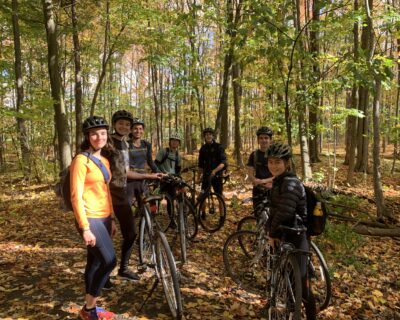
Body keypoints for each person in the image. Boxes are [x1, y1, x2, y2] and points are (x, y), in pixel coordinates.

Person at [70, 116, 117, 320]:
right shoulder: (81, 161)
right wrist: (85, 227)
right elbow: (75, 196)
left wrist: (112, 218)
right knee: (109, 261)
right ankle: (89, 309)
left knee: (95, 263)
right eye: (94, 133)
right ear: (88, 137)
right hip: (90, 219)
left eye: (103, 133)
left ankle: (90, 309)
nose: (99, 137)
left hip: (105, 218)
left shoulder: (104, 160)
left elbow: (106, 191)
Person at [266, 142, 316, 320]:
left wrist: (271, 233)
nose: (274, 166)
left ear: (287, 163)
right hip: (284, 232)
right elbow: (274, 210)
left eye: (278, 162)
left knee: (302, 284)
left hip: (297, 235)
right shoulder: (278, 182)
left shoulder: (291, 183)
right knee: (284, 275)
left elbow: (285, 212)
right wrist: (270, 231)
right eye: (271, 162)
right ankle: (286, 309)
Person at [107, 110, 140, 281]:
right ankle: (103, 276)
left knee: (131, 233)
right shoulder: (107, 142)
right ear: (114, 124)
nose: (124, 127)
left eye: (127, 124)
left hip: (121, 193)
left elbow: (126, 171)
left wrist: (149, 176)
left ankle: (124, 268)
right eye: (121, 123)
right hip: (106, 194)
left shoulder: (126, 144)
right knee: (106, 237)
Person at [127, 117, 163, 207]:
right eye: (135, 128)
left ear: (143, 130)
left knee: (150, 205)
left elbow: (151, 163)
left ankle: (148, 220)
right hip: (129, 180)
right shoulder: (126, 145)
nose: (138, 131)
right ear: (131, 130)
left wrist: (160, 173)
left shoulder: (146, 145)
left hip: (142, 179)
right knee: (128, 208)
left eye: (140, 129)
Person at [246, 126, 274, 211]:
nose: (264, 140)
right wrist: (254, 180)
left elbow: (280, 174)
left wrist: (264, 181)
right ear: (258, 140)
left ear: (270, 140)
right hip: (258, 190)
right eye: (261, 138)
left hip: (273, 189)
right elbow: (250, 173)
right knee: (258, 214)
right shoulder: (254, 155)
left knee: (273, 216)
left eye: (266, 138)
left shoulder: (275, 154)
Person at [198, 127, 227, 196]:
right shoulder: (203, 148)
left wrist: (214, 171)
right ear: (204, 137)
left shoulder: (219, 147)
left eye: (210, 134)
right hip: (206, 176)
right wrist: (199, 177)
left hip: (217, 176)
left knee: (219, 196)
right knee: (202, 197)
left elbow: (223, 162)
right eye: (206, 135)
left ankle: (222, 207)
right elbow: (200, 164)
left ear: (212, 136)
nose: (208, 136)